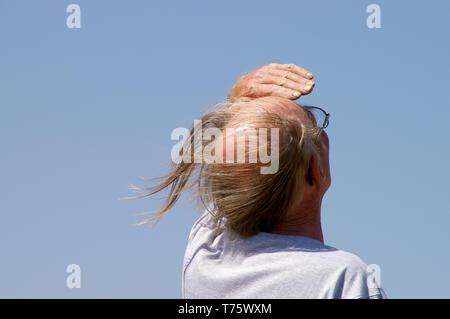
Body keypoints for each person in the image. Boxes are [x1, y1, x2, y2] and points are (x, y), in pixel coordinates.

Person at [135, 63, 387, 299]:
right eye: (314, 121)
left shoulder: (207, 255)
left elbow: (232, 180)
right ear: (315, 171)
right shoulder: (343, 279)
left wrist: (236, 101)